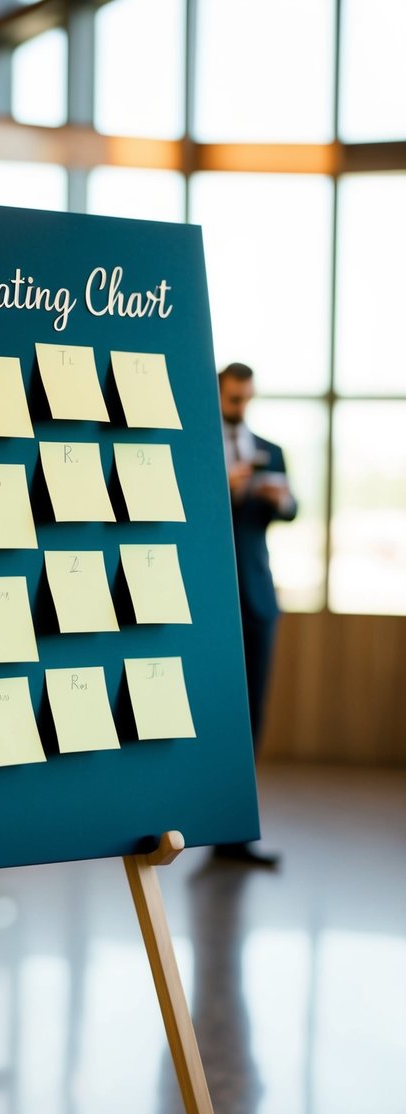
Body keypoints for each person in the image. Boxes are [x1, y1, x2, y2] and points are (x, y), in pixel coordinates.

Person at [215, 362, 297, 867]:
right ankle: (206, 823)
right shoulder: (198, 446)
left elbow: (292, 508)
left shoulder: (271, 449)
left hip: (258, 593)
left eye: (246, 399)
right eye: (232, 399)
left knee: (252, 714)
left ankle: (237, 831)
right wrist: (227, 487)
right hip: (212, 597)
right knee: (216, 713)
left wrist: (280, 498)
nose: (239, 408)